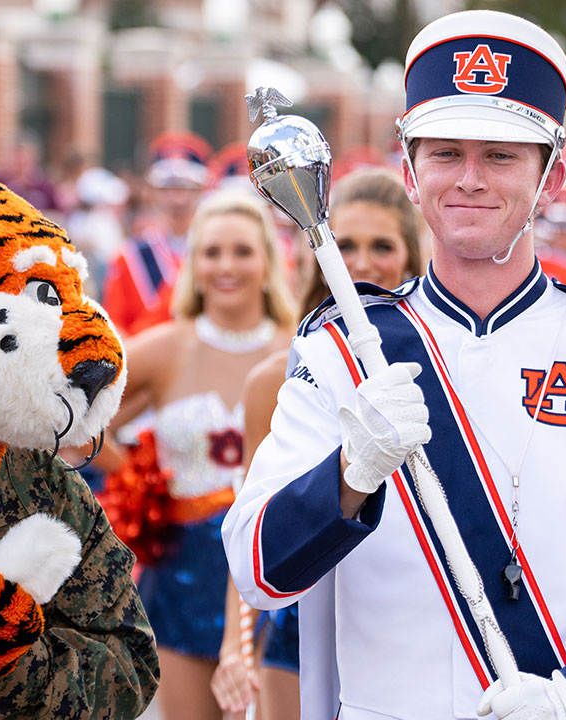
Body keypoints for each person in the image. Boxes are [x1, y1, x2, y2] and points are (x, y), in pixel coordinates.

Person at [223, 10, 566, 720]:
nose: (470, 180)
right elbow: (255, 570)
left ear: (550, 179)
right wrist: (348, 475)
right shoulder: (338, 351)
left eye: (502, 156)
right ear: (410, 172)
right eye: (446, 153)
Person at [211, 167, 424, 720]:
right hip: (301, 617)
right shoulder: (276, 376)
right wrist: (236, 645)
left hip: (407, 623)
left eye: (381, 245)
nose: (359, 261)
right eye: (343, 243)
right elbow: (256, 516)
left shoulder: (439, 364)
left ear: (409, 255)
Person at [112, 189, 294, 720]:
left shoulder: (300, 347)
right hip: (185, 571)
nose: (226, 266)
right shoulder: (165, 347)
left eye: (241, 251)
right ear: (193, 263)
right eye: (211, 252)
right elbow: (78, 426)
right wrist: (136, 479)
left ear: (267, 258)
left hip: (276, 570)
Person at [102, 131, 212, 336]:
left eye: (186, 188)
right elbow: (115, 324)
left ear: (201, 190)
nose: (177, 199)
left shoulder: (216, 253)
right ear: (152, 191)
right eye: (167, 188)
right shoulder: (127, 256)